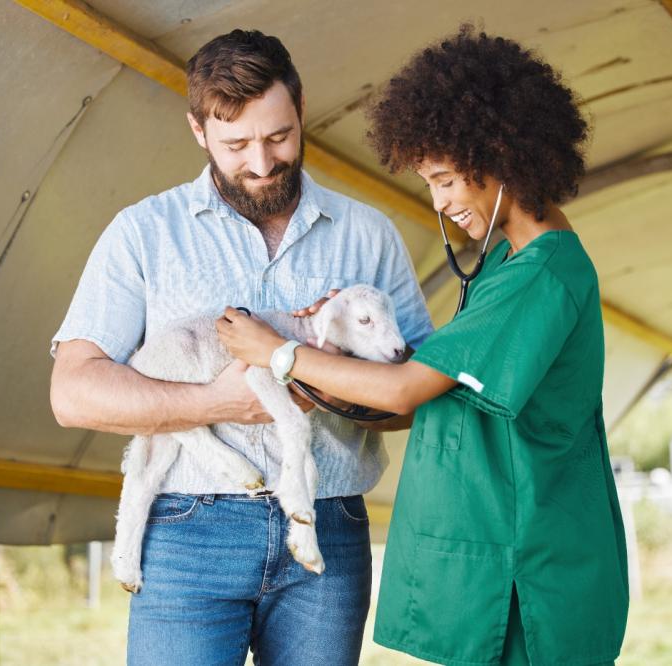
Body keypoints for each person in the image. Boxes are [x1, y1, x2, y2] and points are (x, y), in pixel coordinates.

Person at [216, 26, 629, 666]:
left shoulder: (540, 275)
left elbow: (409, 388)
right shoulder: (504, 268)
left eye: (444, 179)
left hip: (524, 579)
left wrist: (275, 351)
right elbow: (429, 384)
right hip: (493, 562)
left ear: (500, 152)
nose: (438, 202)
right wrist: (327, 346)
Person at [49, 29, 433, 666]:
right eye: (236, 145)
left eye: (279, 136)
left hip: (328, 528)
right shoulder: (143, 234)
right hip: (185, 534)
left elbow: (414, 398)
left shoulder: (370, 237)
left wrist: (307, 372)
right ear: (198, 131)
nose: (261, 162)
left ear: (302, 110)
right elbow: (73, 391)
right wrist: (212, 400)